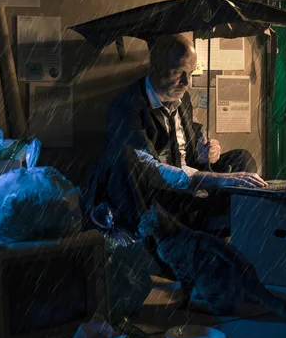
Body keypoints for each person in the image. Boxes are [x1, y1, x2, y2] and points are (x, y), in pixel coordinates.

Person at [85, 33, 266, 236]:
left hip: (187, 183)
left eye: (191, 72)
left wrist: (207, 152)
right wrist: (214, 179)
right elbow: (148, 170)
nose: (186, 82)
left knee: (241, 158)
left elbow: (189, 148)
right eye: (178, 72)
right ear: (155, 69)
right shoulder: (127, 107)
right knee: (128, 160)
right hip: (155, 193)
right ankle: (203, 223)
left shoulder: (183, 98)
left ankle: (228, 220)